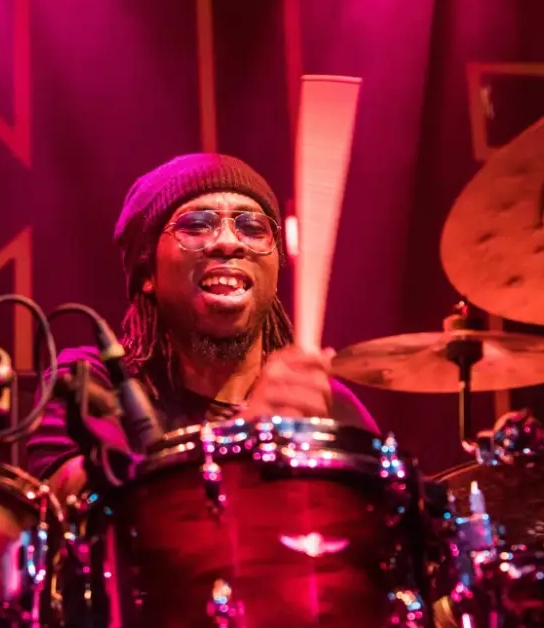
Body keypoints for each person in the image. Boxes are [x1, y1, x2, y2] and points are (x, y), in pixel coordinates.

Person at [25, 152, 379, 501]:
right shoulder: (94, 384)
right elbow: (68, 504)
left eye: (253, 228)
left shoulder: (324, 405)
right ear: (148, 273)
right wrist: (243, 440)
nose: (229, 242)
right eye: (196, 225)